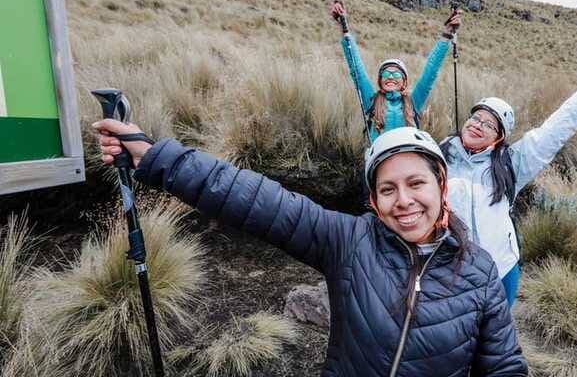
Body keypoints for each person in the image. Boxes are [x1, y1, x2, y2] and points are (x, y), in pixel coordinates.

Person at [93, 123, 528, 377]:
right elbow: (257, 199)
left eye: (417, 183)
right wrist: (157, 158)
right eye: (388, 189)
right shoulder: (350, 240)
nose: (404, 201)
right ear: (374, 200)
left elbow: (503, 367)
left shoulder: (479, 271)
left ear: (441, 185)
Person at [440, 69, 577, 307]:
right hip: (449, 273)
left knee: (499, 329)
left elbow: (555, 129)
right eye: (476, 118)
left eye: (489, 125)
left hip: (501, 271)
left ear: (499, 137)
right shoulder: (436, 157)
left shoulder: (511, 164)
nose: (478, 125)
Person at [331, 0, 461, 142]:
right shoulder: (372, 101)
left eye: (396, 74)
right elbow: (357, 70)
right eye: (386, 73)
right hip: (380, 154)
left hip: (408, 153)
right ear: (380, 81)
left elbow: (430, 71)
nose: (390, 77)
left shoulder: (413, 102)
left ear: (404, 82)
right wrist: (343, 27)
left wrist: (447, 35)